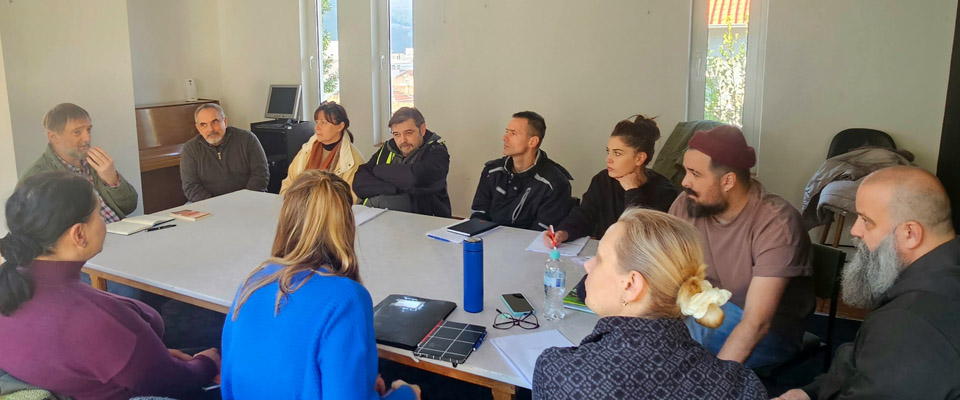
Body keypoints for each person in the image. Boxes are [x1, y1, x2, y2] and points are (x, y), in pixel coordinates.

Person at [0, 172, 219, 399]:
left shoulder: (13, 286)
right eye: (98, 214)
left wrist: (150, 358)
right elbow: (173, 384)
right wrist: (207, 362)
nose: (103, 221)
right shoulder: (96, 321)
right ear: (79, 234)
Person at [221, 170, 420, 399]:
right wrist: (406, 394)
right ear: (347, 226)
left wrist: (362, 381)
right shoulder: (346, 298)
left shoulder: (251, 284)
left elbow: (233, 383)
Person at [532, 208, 766, 399]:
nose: (587, 265)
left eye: (600, 259)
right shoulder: (742, 386)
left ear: (631, 285)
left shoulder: (559, 373)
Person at [776, 166, 960, 400]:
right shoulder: (939, 268)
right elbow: (863, 362)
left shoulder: (909, 326)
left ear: (910, 233)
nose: (855, 230)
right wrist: (809, 392)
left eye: (866, 220)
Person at [669, 125, 813, 368]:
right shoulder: (687, 203)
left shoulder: (777, 223)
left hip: (770, 332)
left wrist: (720, 383)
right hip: (703, 309)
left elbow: (757, 323)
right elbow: (662, 268)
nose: (685, 182)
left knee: (687, 333)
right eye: (685, 171)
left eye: (695, 173)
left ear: (728, 181)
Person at [544, 114, 677, 245]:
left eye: (617, 153)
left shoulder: (664, 192)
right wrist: (563, 232)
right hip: (603, 253)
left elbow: (640, 236)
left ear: (639, 158)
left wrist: (632, 191)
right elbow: (584, 215)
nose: (608, 159)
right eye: (608, 151)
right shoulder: (602, 179)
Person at [20, 103, 138, 222]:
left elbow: (130, 206)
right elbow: (32, 225)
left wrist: (112, 180)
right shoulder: (38, 175)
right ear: (53, 137)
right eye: (77, 132)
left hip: (122, 229)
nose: (87, 138)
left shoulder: (95, 163)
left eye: (88, 129)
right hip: (90, 234)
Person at [470, 111, 573, 230]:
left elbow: (542, 232)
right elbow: (478, 214)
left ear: (532, 141)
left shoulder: (554, 182)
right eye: (507, 132)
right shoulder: (492, 171)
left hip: (528, 241)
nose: (505, 138)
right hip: (488, 239)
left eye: (513, 133)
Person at [353, 107, 451, 217]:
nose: (403, 140)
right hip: (386, 219)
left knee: (379, 201)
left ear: (422, 129)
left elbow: (414, 178)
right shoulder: (388, 148)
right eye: (396, 134)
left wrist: (379, 170)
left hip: (427, 220)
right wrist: (397, 188)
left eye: (408, 133)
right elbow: (359, 184)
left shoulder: (437, 152)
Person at [180, 103, 269, 202]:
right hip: (208, 204)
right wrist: (215, 205)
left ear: (225, 122)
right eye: (203, 125)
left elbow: (260, 175)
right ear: (198, 128)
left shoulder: (247, 139)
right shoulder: (191, 149)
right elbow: (191, 186)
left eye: (215, 122)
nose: (210, 129)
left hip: (249, 200)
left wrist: (245, 200)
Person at [281, 101, 365, 200]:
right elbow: (289, 183)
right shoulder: (306, 150)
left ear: (340, 126)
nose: (317, 128)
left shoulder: (353, 160)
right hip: (298, 205)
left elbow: (350, 199)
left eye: (323, 123)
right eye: (317, 122)